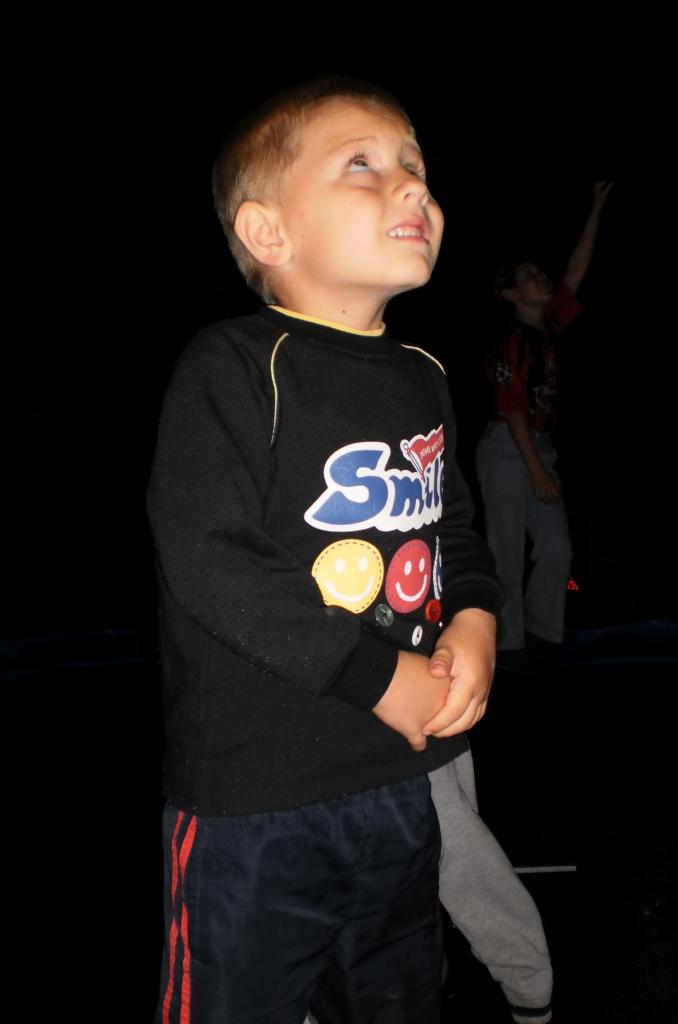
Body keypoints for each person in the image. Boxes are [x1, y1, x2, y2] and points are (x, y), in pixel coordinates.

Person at [147, 77, 502, 1024]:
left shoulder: (422, 374)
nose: (413, 186)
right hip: (256, 802)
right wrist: (378, 676)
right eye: (364, 165)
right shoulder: (233, 364)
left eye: (416, 166)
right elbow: (208, 557)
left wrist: (473, 619)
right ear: (269, 232)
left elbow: (453, 529)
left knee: (397, 1000)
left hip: (397, 782)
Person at [476, 182, 613, 655]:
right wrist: (536, 470)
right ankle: (506, 647)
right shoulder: (511, 341)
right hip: (507, 447)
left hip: (539, 448)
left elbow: (575, 271)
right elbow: (511, 406)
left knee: (557, 549)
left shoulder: (549, 327)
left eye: (540, 272)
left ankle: (541, 635)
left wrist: (596, 207)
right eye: (530, 276)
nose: (542, 277)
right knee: (507, 552)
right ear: (512, 293)